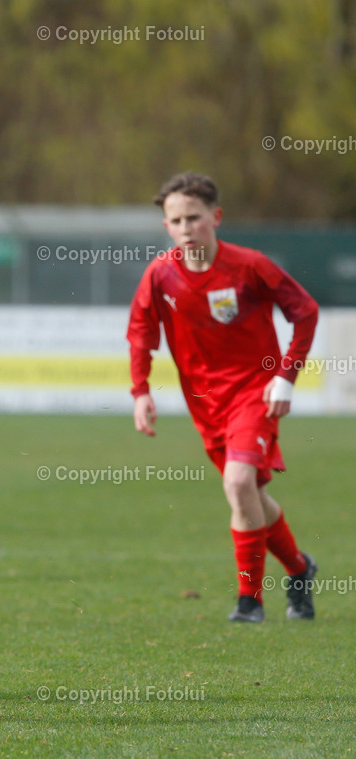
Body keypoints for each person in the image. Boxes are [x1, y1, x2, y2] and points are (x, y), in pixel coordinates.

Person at [128, 172, 320, 623]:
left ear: (215, 217)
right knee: (248, 492)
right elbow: (140, 332)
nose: (186, 228)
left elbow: (305, 311)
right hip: (205, 404)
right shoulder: (160, 274)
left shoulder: (250, 266)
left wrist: (286, 377)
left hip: (255, 392)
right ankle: (299, 569)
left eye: (194, 218)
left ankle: (250, 601)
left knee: (237, 484)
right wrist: (141, 392)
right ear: (167, 226)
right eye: (176, 221)